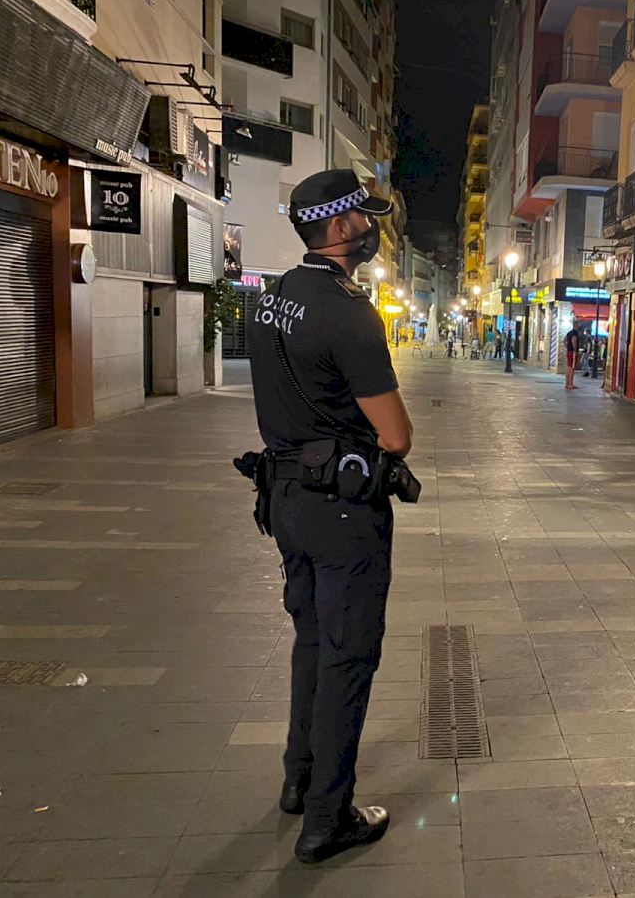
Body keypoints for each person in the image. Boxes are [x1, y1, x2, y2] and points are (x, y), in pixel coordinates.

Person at [247, 169, 414, 864]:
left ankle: (299, 778)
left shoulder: (269, 299)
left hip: (283, 497)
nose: (372, 229)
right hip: (342, 512)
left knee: (312, 642)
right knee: (349, 655)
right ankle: (327, 818)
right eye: (365, 218)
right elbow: (396, 435)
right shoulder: (349, 313)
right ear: (341, 226)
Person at [564, 320, 581, 390]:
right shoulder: (575, 332)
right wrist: (575, 350)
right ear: (577, 325)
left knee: (568, 367)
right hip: (572, 353)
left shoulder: (569, 332)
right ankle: (571, 384)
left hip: (568, 351)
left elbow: (564, 340)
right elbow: (573, 340)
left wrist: (567, 347)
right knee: (572, 368)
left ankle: (567, 383)